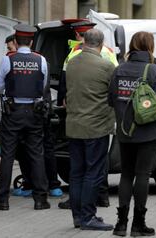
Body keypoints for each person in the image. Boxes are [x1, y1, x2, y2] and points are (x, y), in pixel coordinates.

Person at [108, 31, 156, 236]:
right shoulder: (154, 72)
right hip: (148, 133)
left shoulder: (119, 70)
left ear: (132, 46)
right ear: (150, 47)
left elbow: (110, 100)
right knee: (142, 175)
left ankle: (120, 224)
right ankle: (138, 225)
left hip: (125, 131)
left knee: (126, 175)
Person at [0, 24, 50, 211]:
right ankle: (40, 199)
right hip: (34, 112)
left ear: (15, 41)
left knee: (7, 154)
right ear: (31, 41)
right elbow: (44, 84)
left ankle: (1, 199)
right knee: (36, 154)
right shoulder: (41, 60)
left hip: (13, 111)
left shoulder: (8, 59)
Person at [58, 20, 118, 210]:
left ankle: (77, 212)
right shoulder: (109, 58)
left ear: (82, 39)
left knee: (77, 172)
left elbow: (64, 88)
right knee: (95, 169)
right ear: (100, 43)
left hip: (74, 123)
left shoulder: (72, 59)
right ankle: (90, 211)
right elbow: (114, 90)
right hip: (96, 125)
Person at [4, 34, 63, 198]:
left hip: (26, 111)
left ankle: (34, 184)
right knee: (44, 149)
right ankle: (50, 186)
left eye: (10, 48)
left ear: (16, 44)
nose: (8, 52)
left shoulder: (13, 61)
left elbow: (1, 85)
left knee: (29, 150)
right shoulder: (40, 60)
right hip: (42, 110)